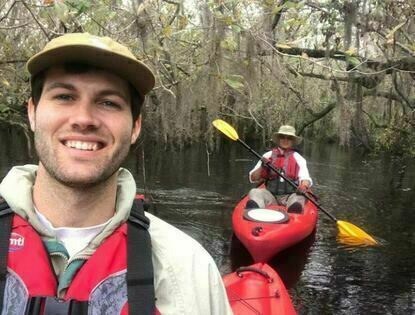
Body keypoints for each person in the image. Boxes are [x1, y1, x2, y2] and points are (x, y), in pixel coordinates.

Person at [0, 33, 232, 314]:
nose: (84, 118)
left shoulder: (189, 267)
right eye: (64, 96)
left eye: (108, 102)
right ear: (33, 113)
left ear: (135, 126)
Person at [247, 125, 312, 213]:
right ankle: (255, 213)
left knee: (300, 197)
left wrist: (303, 186)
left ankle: (293, 214)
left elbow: (305, 178)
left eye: (289, 138)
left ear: (292, 141)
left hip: (290, 197)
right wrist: (262, 166)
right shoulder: (267, 156)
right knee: (254, 192)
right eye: (282, 137)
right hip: (270, 196)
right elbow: (253, 178)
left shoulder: (299, 158)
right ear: (278, 139)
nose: (285, 140)